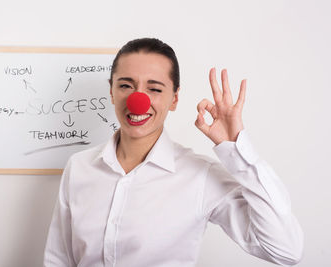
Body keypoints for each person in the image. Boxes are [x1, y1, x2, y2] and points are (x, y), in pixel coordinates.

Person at [43, 38, 304, 267]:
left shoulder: (200, 175)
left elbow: (286, 250)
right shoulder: (79, 166)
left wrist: (236, 147)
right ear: (111, 91)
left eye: (154, 89)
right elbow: (59, 259)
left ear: (175, 99)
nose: (138, 99)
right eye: (125, 85)